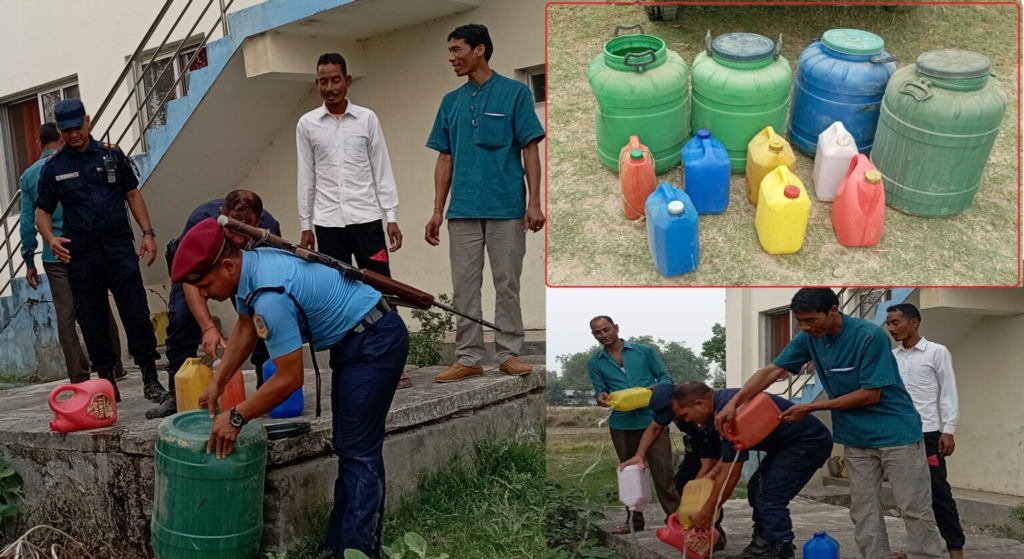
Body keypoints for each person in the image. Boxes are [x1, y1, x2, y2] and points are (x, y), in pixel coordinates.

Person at [173, 218, 409, 558]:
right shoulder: (249, 269)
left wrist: (237, 417)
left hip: (375, 339)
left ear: (227, 265)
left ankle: (359, 552)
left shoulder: (270, 296)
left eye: (206, 286)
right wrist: (217, 382)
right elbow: (243, 327)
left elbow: (288, 379)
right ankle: (340, 545)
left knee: (359, 450)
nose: (206, 296)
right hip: (355, 341)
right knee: (348, 445)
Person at [717, 288, 942, 559]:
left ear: (834, 310)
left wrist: (812, 407)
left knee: (914, 509)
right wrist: (735, 401)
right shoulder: (809, 338)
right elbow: (772, 370)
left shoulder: (869, 337)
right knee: (863, 510)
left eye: (811, 320)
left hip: (897, 435)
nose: (805, 326)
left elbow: (871, 394)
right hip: (856, 439)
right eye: (800, 321)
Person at [425, 23, 545, 383]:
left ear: (480, 50)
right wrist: (436, 209)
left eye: (457, 49)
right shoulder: (450, 102)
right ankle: (469, 356)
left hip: (507, 207)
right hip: (461, 211)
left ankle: (509, 354)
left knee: (507, 282)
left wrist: (534, 202)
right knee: (464, 286)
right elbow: (444, 158)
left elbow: (530, 149)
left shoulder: (514, 94)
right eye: (450, 51)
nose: (451, 58)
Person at [35, 99, 166, 403]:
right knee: (92, 320)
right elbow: (42, 212)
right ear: (59, 130)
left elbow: (132, 193)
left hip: (120, 249)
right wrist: (51, 238)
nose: (73, 135)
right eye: (65, 130)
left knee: (136, 312)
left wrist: (148, 233)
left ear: (88, 121)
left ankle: (150, 378)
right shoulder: (54, 167)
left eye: (77, 127)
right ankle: (107, 384)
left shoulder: (112, 154)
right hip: (82, 256)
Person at [297, 52, 410, 389]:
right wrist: (306, 224)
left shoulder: (367, 119)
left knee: (381, 286)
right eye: (322, 81)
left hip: (366, 219)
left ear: (347, 80)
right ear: (317, 83)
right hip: (328, 223)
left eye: (335, 80)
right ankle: (345, 363)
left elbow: (381, 169)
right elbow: (306, 177)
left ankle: (394, 364)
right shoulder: (307, 124)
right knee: (336, 291)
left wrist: (391, 215)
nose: (329, 87)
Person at [145, 191, 282, 419]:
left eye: (245, 228)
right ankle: (176, 394)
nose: (238, 237)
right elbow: (190, 279)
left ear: (258, 221)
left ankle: (266, 384)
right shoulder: (202, 219)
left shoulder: (268, 230)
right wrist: (208, 326)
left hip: (242, 271)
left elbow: (269, 280)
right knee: (181, 321)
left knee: (262, 316)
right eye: (232, 228)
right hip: (198, 272)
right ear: (222, 215)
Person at [666, 382, 833, 559]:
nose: (687, 421)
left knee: (771, 495)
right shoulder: (723, 406)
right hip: (786, 445)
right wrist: (716, 470)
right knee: (756, 488)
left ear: (700, 403)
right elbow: (732, 455)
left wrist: (707, 512)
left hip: (809, 442)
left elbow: (731, 476)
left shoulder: (728, 415)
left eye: (685, 415)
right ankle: (763, 544)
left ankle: (780, 549)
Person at [20, 122, 125, 383]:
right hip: (87, 247)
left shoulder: (29, 175)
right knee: (99, 304)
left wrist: (28, 256)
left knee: (66, 314)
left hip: (54, 255)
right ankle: (113, 367)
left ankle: (79, 376)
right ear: (62, 138)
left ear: (38, 144)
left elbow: (28, 220)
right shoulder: (74, 163)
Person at [587, 316, 679, 533]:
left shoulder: (643, 351)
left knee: (663, 471)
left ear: (616, 328)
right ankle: (634, 522)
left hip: (652, 419)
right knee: (630, 472)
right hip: (622, 423)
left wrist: (657, 389)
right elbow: (599, 390)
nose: (603, 335)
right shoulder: (595, 362)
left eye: (606, 329)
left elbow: (665, 378)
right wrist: (600, 397)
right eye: (597, 333)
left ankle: (675, 520)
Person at [887, 303, 965, 559]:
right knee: (909, 499)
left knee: (939, 495)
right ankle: (916, 549)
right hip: (899, 435)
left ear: (914, 322)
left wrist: (949, 429)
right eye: (888, 323)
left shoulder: (937, 352)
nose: (891, 328)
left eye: (895, 322)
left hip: (929, 435)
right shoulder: (892, 357)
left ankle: (956, 551)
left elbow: (948, 391)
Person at [618, 382, 728, 551]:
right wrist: (639, 455)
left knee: (703, 490)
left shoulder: (704, 417)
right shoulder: (670, 404)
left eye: (675, 415)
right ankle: (692, 527)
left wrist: (693, 499)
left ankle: (712, 533)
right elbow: (654, 428)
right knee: (681, 483)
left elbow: (707, 467)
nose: (674, 419)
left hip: (713, 446)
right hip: (694, 447)